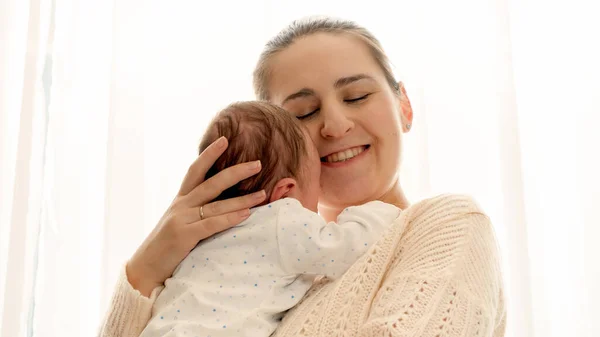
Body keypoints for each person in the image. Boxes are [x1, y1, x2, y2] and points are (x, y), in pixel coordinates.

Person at [99, 17, 506, 337]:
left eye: (357, 96)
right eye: (303, 113)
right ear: (275, 140)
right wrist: (150, 264)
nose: (334, 124)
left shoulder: (447, 225)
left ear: (405, 106)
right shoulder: (258, 267)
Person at [140, 101, 400, 337]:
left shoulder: (197, 237)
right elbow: (350, 247)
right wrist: (378, 210)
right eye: (315, 183)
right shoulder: (281, 221)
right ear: (286, 192)